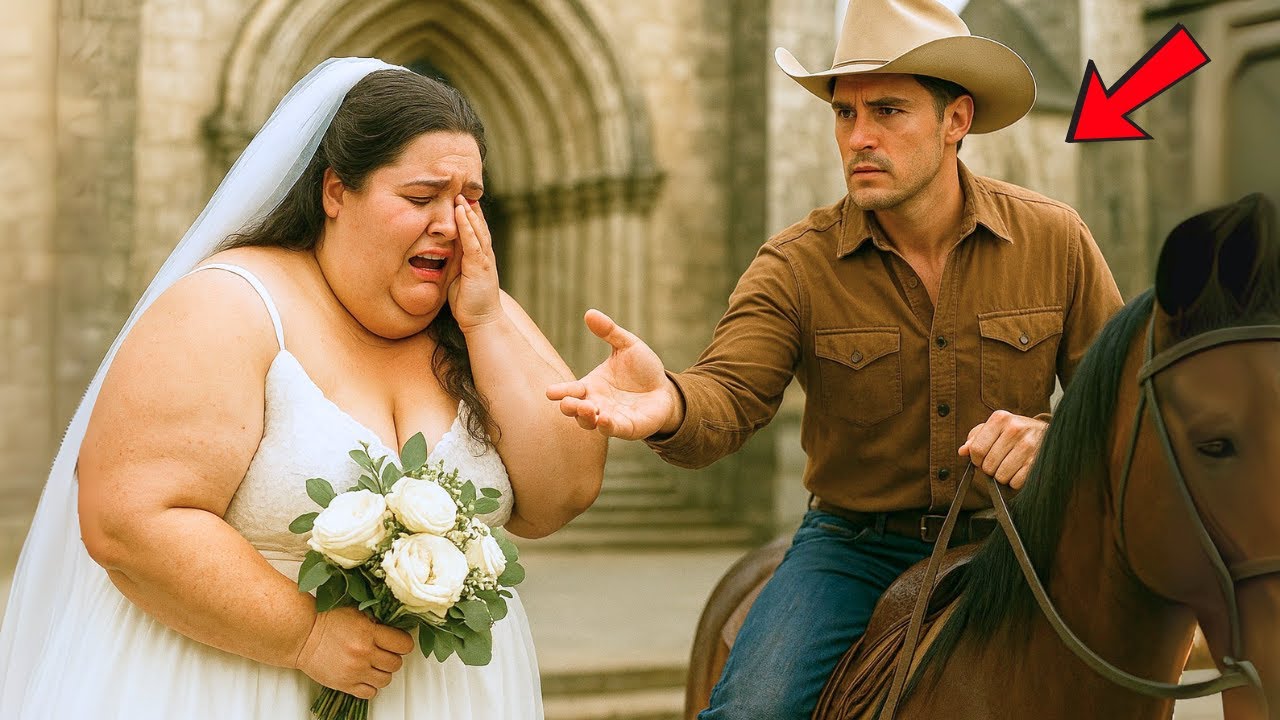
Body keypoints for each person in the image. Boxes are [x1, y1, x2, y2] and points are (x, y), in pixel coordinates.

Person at [547, 0, 1125, 716]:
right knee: (751, 711)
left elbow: (1124, 409)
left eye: (887, 111)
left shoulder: (1055, 239)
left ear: (956, 120)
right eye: (844, 114)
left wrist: (1054, 440)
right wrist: (668, 402)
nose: (860, 137)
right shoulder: (795, 264)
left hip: (1024, 540)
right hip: (852, 550)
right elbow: (729, 393)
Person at [0, 57, 606, 718]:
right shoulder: (229, 305)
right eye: (422, 197)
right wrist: (306, 635)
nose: (452, 224)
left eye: (470, 199)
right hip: (232, 690)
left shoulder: (481, 309)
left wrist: (486, 322)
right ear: (335, 193)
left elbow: (560, 496)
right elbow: (127, 520)